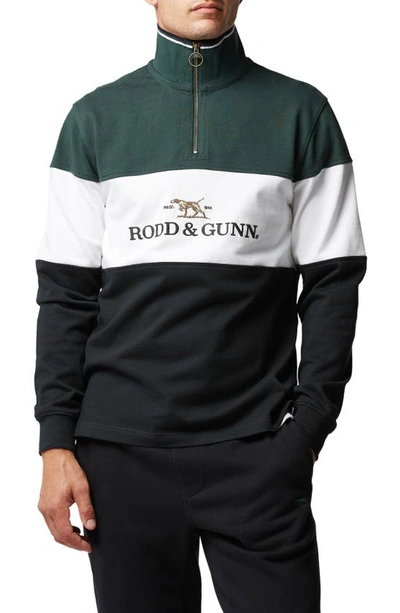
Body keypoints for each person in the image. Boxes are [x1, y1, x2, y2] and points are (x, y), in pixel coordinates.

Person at [34, 1, 367, 611]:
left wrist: (307, 430)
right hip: (120, 459)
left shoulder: (302, 113)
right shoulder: (94, 119)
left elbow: (334, 284)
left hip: (257, 452)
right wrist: (55, 442)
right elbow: (65, 294)